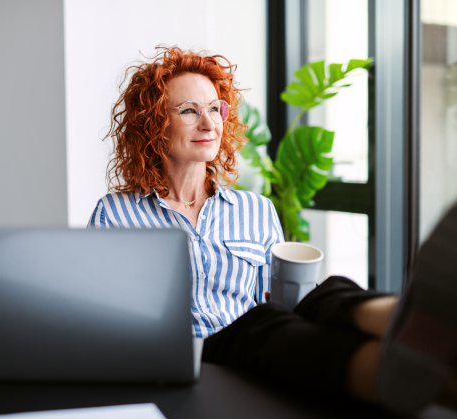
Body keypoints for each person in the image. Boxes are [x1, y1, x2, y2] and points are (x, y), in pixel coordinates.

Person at [87, 45, 457, 415]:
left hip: (253, 354)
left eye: (216, 109)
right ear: (154, 123)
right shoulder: (117, 215)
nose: (209, 123)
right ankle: (420, 356)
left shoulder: (256, 210)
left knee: (320, 295)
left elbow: (279, 304)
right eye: (189, 111)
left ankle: (419, 325)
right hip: (185, 359)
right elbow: (101, 321)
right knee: (262, 325)